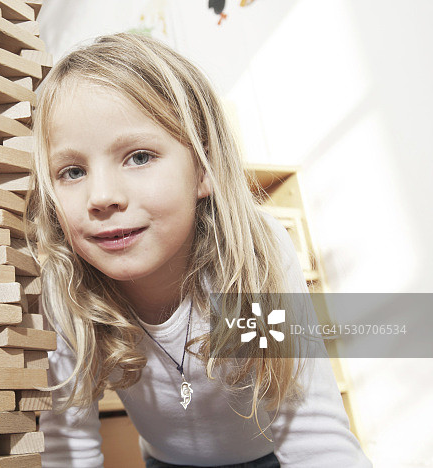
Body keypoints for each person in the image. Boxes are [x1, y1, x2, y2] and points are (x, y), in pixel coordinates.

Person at [28, 33, 371, 467]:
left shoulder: (249, 257)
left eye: (139, 157)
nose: (102, 197)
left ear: (203, 169)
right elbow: (68, 448)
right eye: (72, 171)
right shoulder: (66, 284)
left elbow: (313, 435)